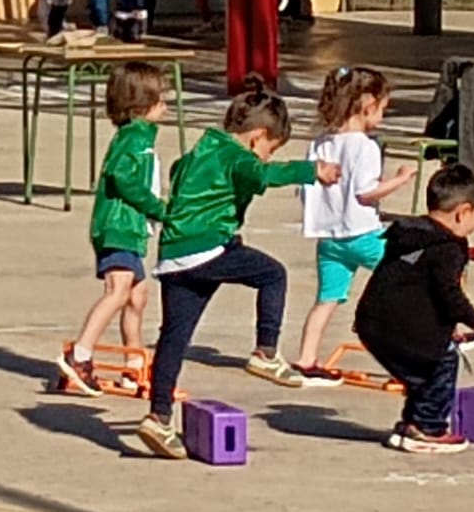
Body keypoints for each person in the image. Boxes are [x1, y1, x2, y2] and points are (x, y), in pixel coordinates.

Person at [134, 78, 342, 459]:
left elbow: (179, 172)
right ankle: (265, 351)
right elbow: (264, 175)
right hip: (207, 248)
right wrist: (312, 171)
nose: (267, 158)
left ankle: (158, 416)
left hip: (174, 255)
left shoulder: (201, 150)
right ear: (257, 136)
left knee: (174, 337)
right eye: (269, 150)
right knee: (273, 274)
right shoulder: (238, 156)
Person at [354, 164, 474, 454]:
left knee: (422, 370)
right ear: (462, 212)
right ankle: (428, 428)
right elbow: (448, 293)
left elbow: (417, 288)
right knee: (440, 363)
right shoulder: (448, 246)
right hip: (399, 323)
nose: (473, 227)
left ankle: (411, 425)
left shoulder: (410, 234)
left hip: (373, 320)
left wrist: (445, 327)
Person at [292, 67, 416, 385]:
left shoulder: (320, 143)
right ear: (367, 104)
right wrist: (400, 180)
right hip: (363, 234)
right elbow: (365, 193)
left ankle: (306, 360)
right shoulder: (365, 146)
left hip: (329, 239)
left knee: (327, 298)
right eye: (383, 108)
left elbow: (306, 187)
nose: (382, 116)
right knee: (408, 281)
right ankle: (408, 362)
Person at [57, 62, 170, 397]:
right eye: (160, 100)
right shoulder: (134, 138)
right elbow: (122, 178)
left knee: (138, 297)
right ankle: (80, 354)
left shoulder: (139, 136)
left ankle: (133, 366)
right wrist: (157, 208)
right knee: (118, 291)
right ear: (140, 106)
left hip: (130, 229)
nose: (166, 105)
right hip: (119, 226)